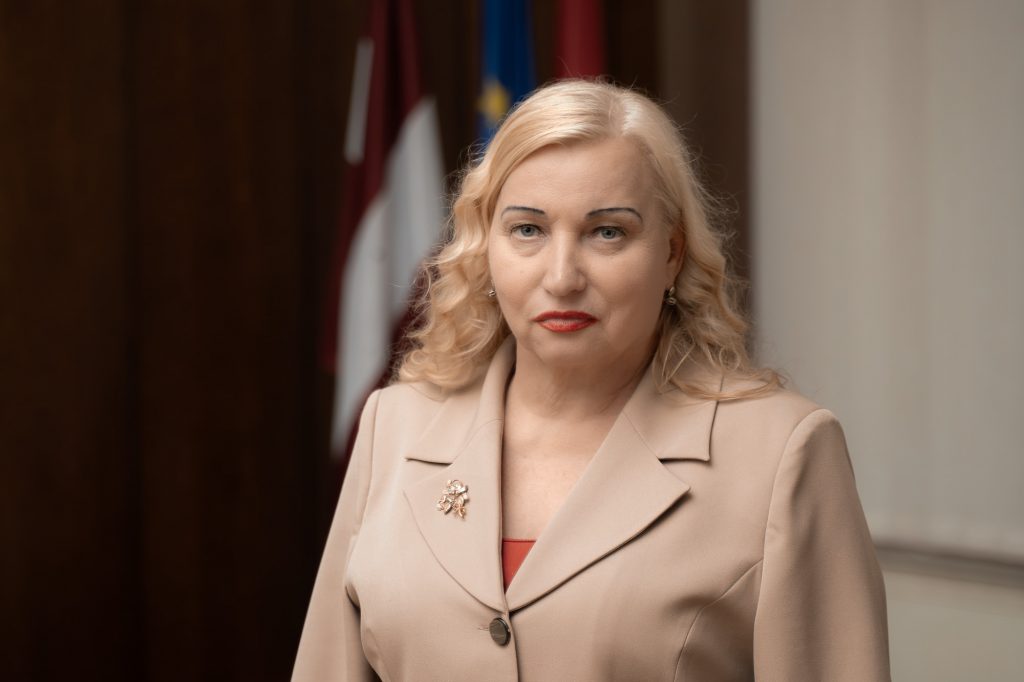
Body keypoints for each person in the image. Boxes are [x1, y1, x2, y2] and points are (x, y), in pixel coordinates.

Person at [293, 79, 890, 681]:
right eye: (527, 230)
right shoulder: (395, 424)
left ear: (672, 254)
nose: (562, 277)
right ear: (487, 246)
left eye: (607, 232)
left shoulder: (782, 452)